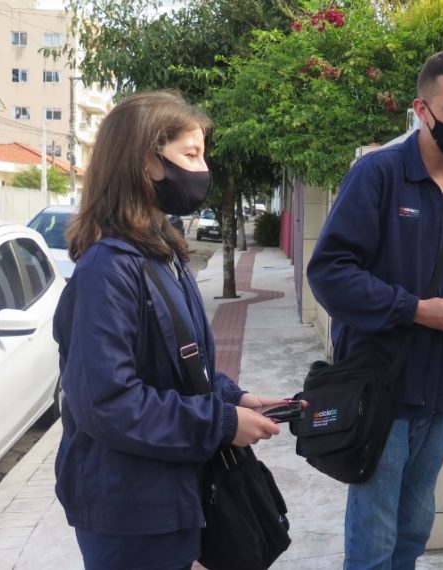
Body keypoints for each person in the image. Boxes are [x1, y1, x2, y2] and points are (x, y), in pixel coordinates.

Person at [52, 91, 286, 570]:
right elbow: (107, 402)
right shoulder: (108, 268)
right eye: (190, 155)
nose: (203, 170)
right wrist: (221, 423)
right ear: (146, 163)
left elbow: (179, 367)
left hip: (169, 495)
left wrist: (232, 399)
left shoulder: (161, 252)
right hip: (129, 508)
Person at [306, 49, 443, 569]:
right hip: (378, 390)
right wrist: (415, 309)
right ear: (423, 109)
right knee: (374, 538)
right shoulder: (378, 175)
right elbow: (329, 273)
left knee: (414, 530)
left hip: (436, 397)